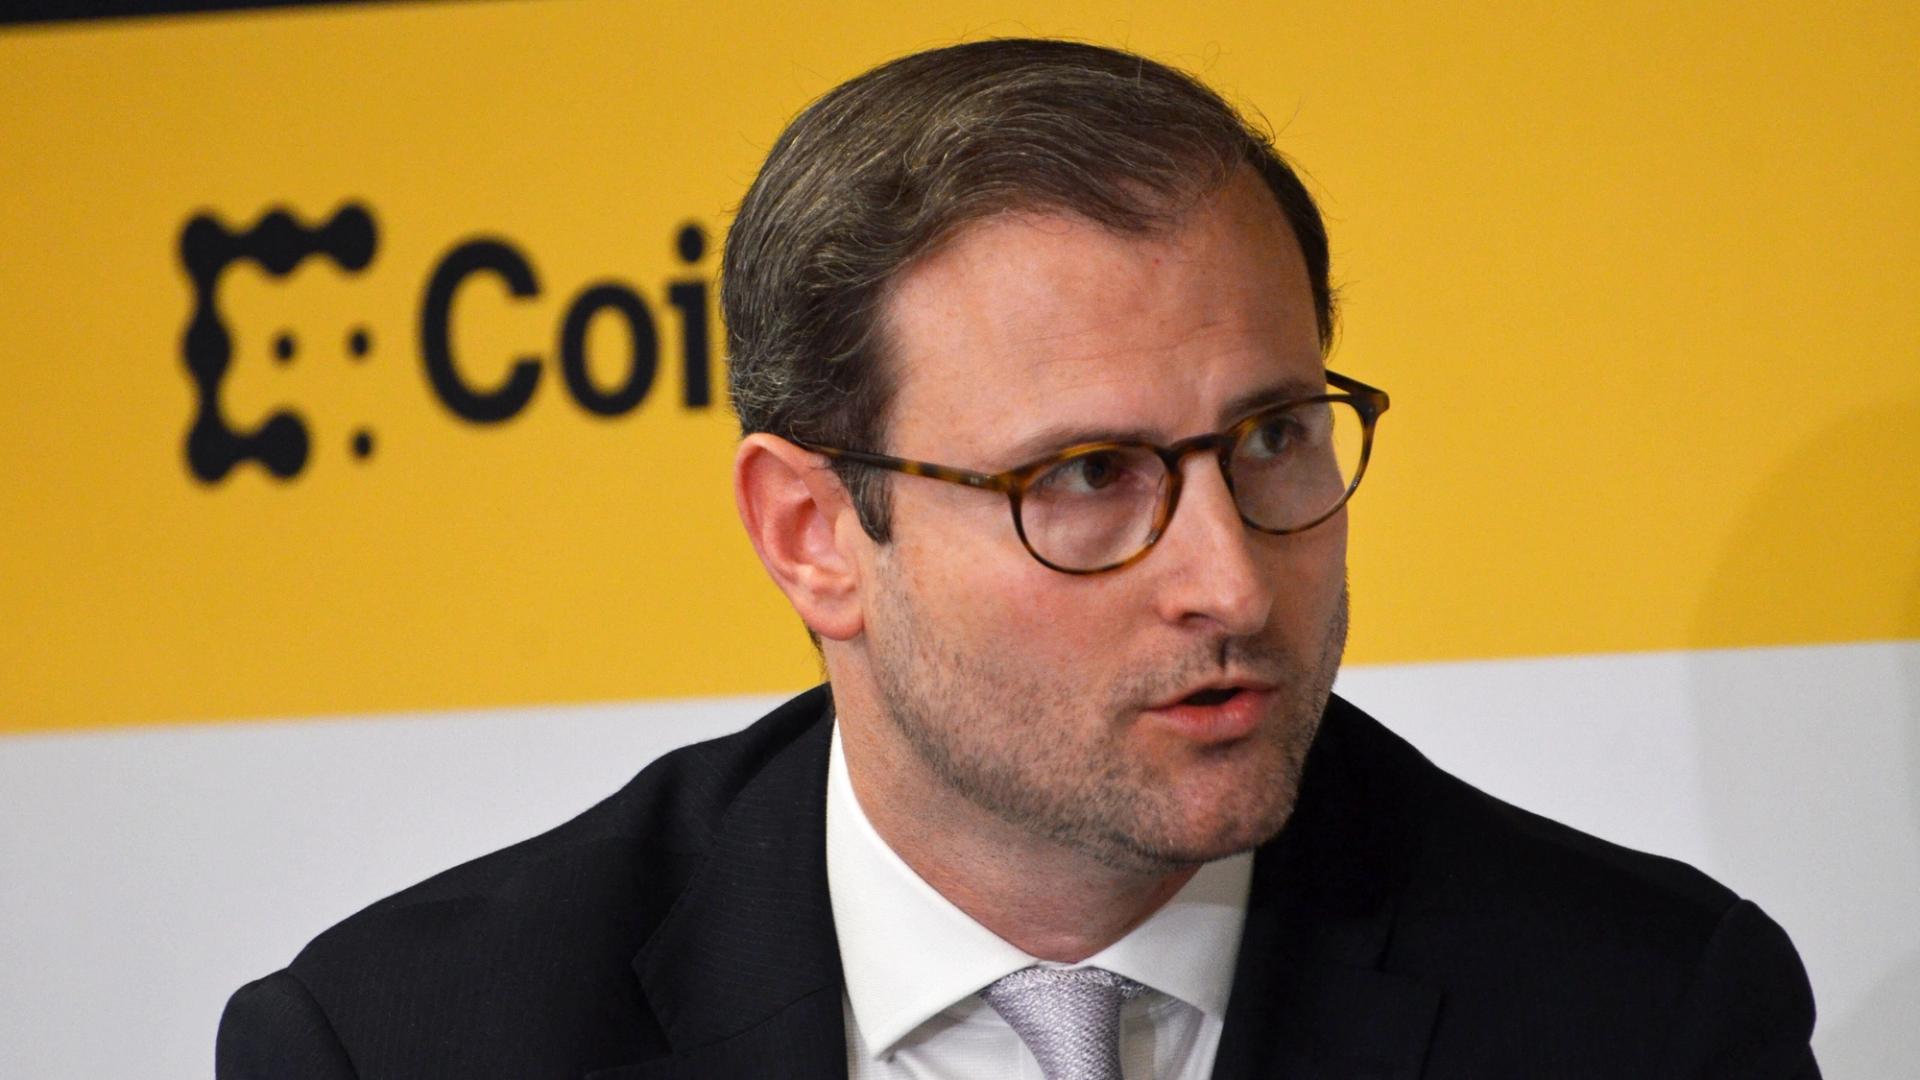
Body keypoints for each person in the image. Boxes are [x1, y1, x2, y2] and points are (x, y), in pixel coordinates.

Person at [217, 38, 1820, 1079]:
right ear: (814, 536)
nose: (1232, 584)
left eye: (1273, 437)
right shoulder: (410, 1048)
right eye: (1088, 478)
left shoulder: (1644, 1019)